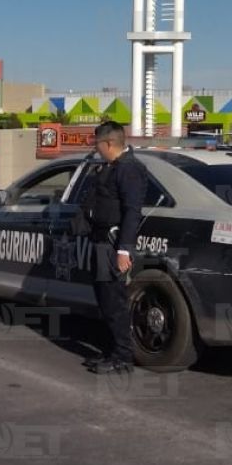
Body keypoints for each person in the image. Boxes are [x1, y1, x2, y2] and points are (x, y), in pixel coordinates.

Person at [75, 121, 149, 375]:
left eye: (97, 144)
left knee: (113, 301)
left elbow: (132, 211)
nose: (96, 149)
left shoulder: (129, 169)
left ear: (108, 143)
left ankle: (122, 357)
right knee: (105, 300)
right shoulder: (113, 167)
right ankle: (114, 351)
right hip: (101, 241)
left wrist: (123, 250)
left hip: (112, 244)